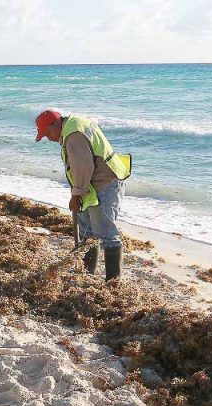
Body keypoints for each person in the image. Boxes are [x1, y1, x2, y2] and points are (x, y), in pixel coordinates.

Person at [34, 109, 132, 281]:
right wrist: (79, 192)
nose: (48, 138)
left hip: (105, 182)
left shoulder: (73, 135)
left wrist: (76, 194)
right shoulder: (73, 125)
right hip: (91, 184)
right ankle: (86, 276)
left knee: (107, 234)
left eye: (48, 132)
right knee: (87, 232)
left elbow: (83, 167)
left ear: (56, 123)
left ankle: (113, 283)